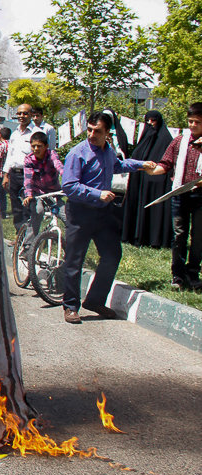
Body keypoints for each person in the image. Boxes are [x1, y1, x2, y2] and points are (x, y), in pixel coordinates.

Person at [60, 112, 161, 324]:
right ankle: (70, 306)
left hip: (103, 213)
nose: (91, 134)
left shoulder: (108, 151)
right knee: (74, 260)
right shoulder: (77, 153)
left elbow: (117, 166)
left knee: (112, 255)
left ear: (108, 133)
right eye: (89, 129)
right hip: (80, 213)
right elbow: (69, 186)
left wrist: (141, 164)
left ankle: (95, 300)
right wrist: (98, 193)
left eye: (97, 131)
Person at [152, 103, 202, 290]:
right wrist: (150, 169)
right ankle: (178, 275)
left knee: (198, 236)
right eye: (190, 121)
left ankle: (193, 272)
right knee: (179, 234)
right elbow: (165, 163)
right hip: (180, 194)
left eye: (197, 122)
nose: (192, 125)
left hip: (200, 196)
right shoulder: (180, 141)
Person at [122, 110, 173, 248]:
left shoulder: (166, 140)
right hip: (139, 182)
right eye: (147, 121)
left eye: (153, 121)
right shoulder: (144, 139)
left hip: (156, 184)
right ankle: (133, 235)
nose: (150, 124)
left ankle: (153, 239)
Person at [3, 104, 43, 234]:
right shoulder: (14, 134)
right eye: (19, 113)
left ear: (31, 115)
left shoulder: (37, 133)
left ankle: (29, 237)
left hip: (30, 175)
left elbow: (43, 156)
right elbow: (10, 155)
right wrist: (6, 175)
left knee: (28, 207)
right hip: (15, 174)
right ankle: (19, 235)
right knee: (16, 208)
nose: (21, 116)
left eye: (25, 113)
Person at [22, 131, 65, 242]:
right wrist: (29, 194)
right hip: (37, 193)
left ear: (46, 146)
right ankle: (27, 248)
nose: (36, 149)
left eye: (39, 146)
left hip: (53, 193)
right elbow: (28, 179)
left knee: (66, 216)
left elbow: (58, 165)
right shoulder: (29, 159)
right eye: (33, 146)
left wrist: (66, 176)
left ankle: (70, 249)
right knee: (38, 212)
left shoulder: (52, 155)